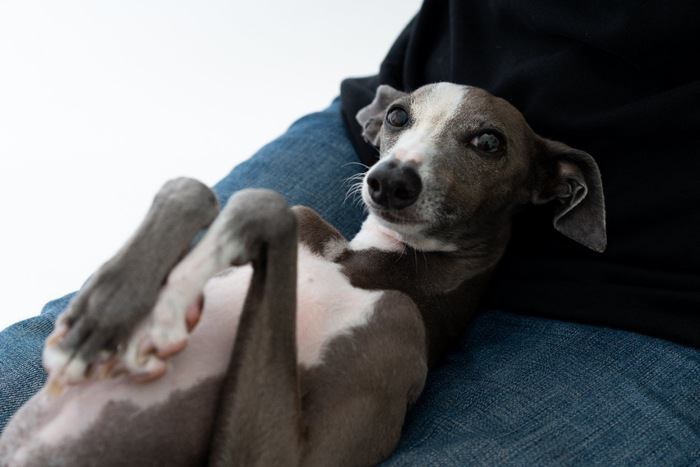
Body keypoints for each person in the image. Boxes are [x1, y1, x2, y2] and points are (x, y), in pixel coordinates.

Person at [2, 1, 698, 464]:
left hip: (659, 278)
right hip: (428, 80)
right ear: (383, 125)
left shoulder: (364, 297)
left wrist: (263, 241)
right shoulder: (314, 216)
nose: (403, 165)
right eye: (396, 128)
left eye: (481, 144)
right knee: (25, 364)